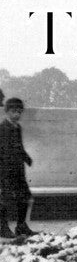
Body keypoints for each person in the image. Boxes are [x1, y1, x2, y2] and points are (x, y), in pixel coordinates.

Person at [0, 98, 35, 238]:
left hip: (19, 170)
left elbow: (19, 147)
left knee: (25, 197)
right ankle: (2, 227)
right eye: (14, 111)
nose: (17, 114)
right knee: (6, 199)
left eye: (20, 112)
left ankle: (21, 226)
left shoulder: (17, 127)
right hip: (6, 171)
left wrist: (26, 158)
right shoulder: (2, 128)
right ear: (7, 111)